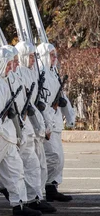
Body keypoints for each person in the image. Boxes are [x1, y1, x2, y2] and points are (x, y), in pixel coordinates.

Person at [0, 47, 41, 216]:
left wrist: (19, 131)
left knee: (16, 170)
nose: (12, 66)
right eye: (9, 63)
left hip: (8, 134)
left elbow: (12, 108)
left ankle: (19, 204)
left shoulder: (4, 80)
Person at [13, 41, 56, 213]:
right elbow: (24, 105)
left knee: (37, 164)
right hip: (25, 127)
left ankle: (36, 197)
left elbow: (35, 102)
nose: (32, 60)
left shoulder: (32, 73)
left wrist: (44, 124)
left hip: (33, 127)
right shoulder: (19, 74)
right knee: (26, 165)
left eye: (33, 56)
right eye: (30, 56)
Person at [37, 43, 75, 202]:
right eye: (51, 55)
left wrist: (70, 115)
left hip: (56, 122)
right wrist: (47, 123)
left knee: (59, 158)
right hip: (48, 123)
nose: (54, 58)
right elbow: (41, 101)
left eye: (55, 55)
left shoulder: (53, 73)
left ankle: (52, 186)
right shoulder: (41, 74)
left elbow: (62, 96)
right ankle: (46, 187)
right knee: (53, 156)